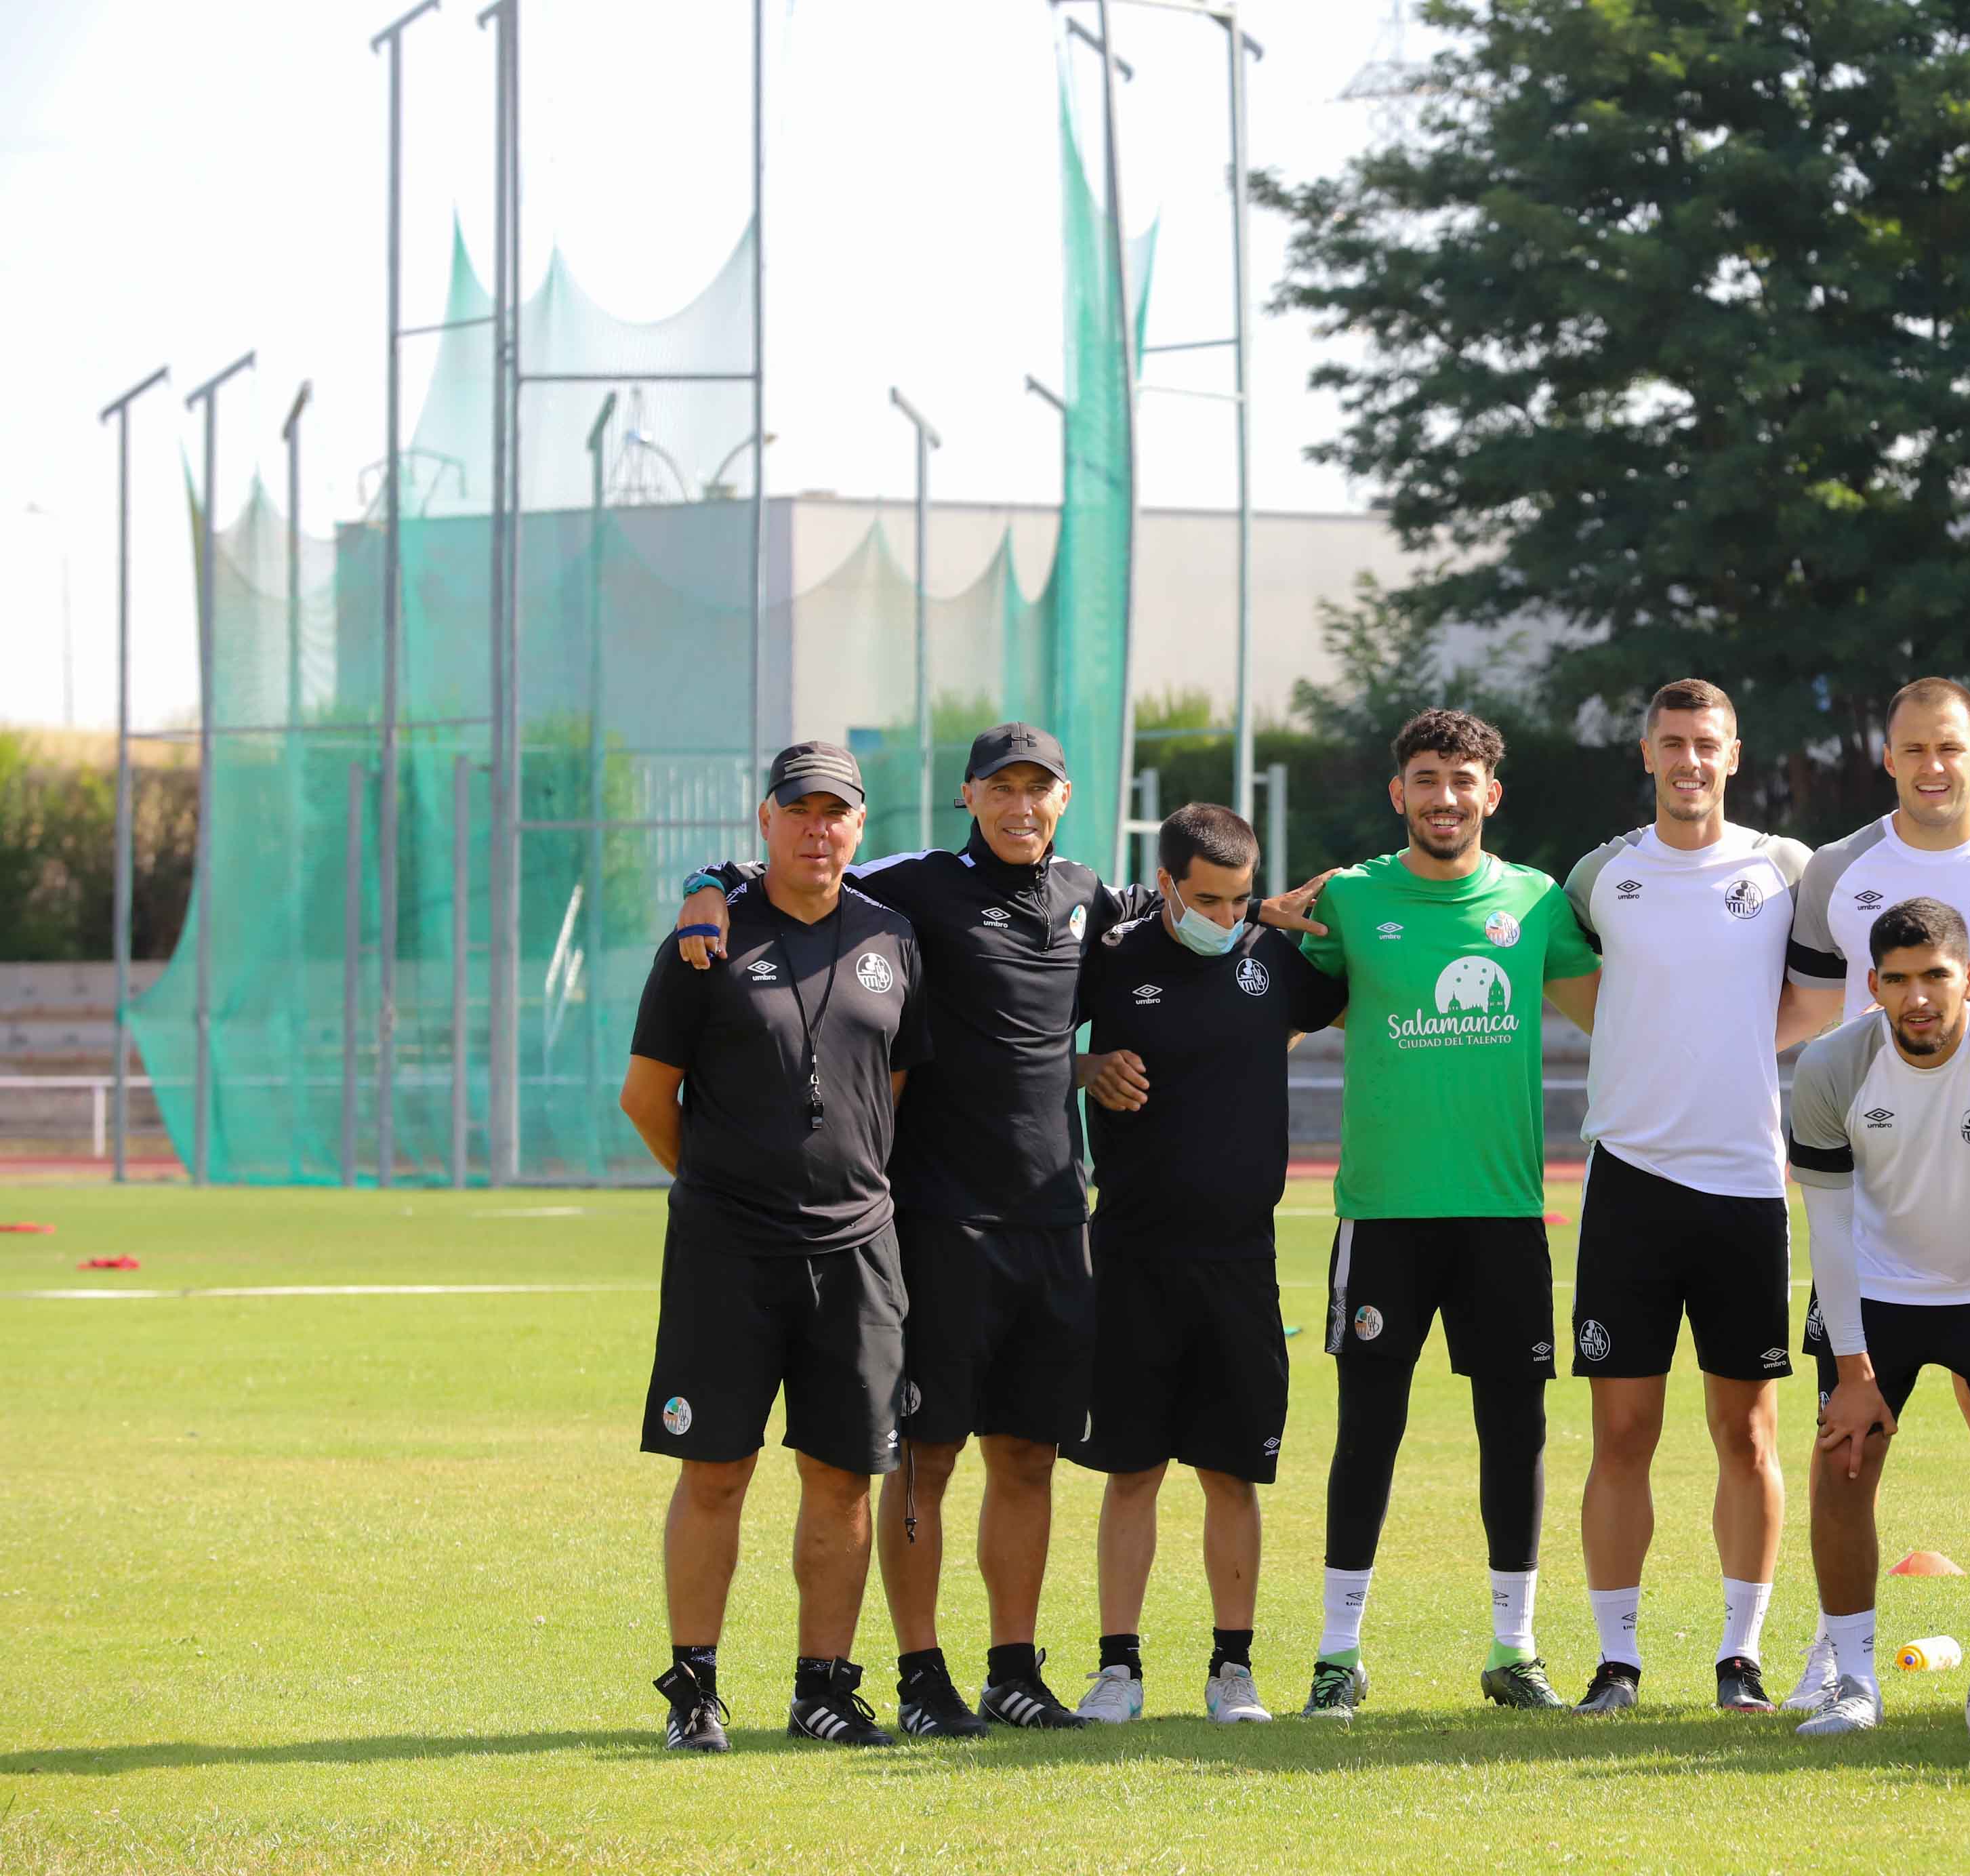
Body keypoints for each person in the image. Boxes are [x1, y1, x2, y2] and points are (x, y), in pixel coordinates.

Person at [668, 722, 1326, 1734]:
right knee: (928, 1458)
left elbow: (1195, 917)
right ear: (969, 797)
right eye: (1002, 788)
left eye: (1042, 790)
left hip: (1057, 1220)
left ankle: (1013, 1670)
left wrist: (1092, 1059)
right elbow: (805, 857)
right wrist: (709, 881)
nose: (1023, 806)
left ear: (1065, 801)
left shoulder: (1096, 900)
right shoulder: (915, 887)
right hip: (936, 1220)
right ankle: (922, 1675)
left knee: (1026, 1457)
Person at [1295, 708, 1603, 1719]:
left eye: (1461, 780)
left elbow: (1626, 1005)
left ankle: (1514, 1651)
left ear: (1490, 794)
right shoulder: (1349, 901)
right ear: (1400, 793)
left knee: (1515, 1435)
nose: (1443, 799)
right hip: (1384, 1216)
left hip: (1505, 1217)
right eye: (1426, 779)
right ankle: (1338, 1657)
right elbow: (1286, 997)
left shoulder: (1539, 903)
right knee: (1367, 1431)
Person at [620, 743, 929, 1751]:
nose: (818, 827)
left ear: (858, 825)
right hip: (728, 1253)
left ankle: (824, 1689)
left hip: (857, 1252)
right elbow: (645, 1098)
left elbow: (891, 1085)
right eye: (800, 808)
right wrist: (720, 1185)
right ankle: (695, 1692)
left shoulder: (891, 938)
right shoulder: (702, 941)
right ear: (765, 818)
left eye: (836, 811)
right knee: (716, 1470)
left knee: (843, 1476)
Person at [1777, 676, 1970, 1707]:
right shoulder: (1832, 1068)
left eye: (1934, 978)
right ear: (1872, 983)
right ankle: (1850, 1671)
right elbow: (1832, 1229)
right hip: (1882, 1285)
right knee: (1844, 1453)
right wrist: (1851, 1368)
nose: (1915, 997)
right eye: (1894, 980)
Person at [1557, 679, 1829, 1717]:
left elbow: (1823, 987)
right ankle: (1616, 1660)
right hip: (1628, 1182)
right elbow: (1568, 976)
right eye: (1672, 743)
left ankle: (1740, 1656)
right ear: (1647, 752)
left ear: (1733, 753)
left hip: (1747, 1186)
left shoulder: (1784, 868)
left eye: (1706, 744)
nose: (1689, 761)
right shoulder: (1601, 874)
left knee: (1748, 1435)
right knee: (1622, 1434)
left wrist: (1736, 1048)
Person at [1064, 803, 1349, 1726]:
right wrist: (1085, 1069)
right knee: (1133, 1470)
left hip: (1241, 1262)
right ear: (1169, 887)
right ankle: (1118, 1672)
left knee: (1232, 1473)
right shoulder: (1109, 956)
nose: (1230, 919)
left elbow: (1372, 974)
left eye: (1242, 900)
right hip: (1132, 1255)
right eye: (1212, 901)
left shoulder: (1273, 959)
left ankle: (1234, 1672)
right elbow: (1022, 1035)